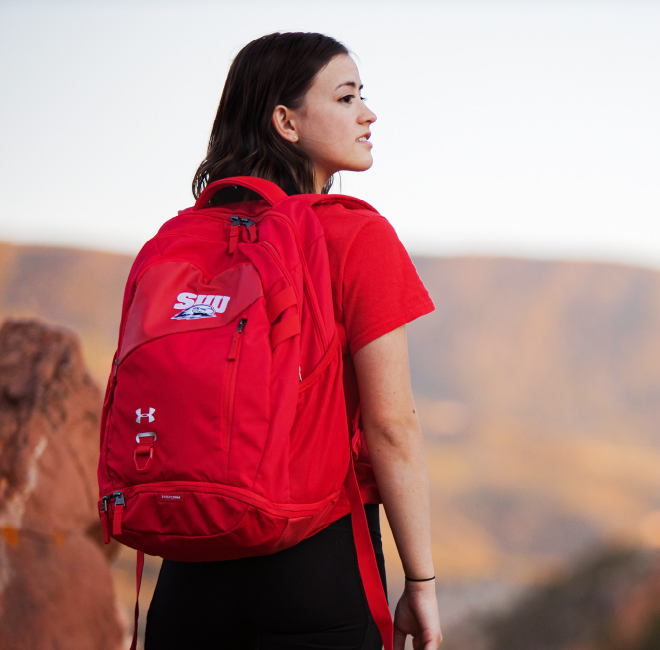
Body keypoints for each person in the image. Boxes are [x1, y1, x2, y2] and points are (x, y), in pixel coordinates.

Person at [144, 32, 442, 650]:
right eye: (346, 96)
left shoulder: (185, 241)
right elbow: (393, 429)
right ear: (286, 121)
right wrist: (422, 581)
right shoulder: (356, 237)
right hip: (316, 565)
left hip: (190, 567)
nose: (369, 113)